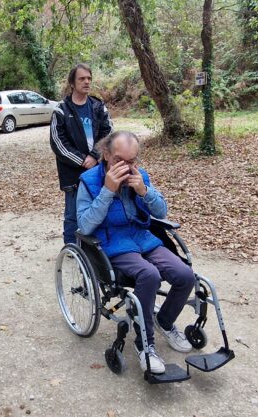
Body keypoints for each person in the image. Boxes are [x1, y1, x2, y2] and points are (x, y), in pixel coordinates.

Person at [76, 131, 195, 374]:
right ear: (106, 154)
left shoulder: (140, 176)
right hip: (113, 242)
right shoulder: (88, 181)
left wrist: (144, 191)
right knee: (149, 275)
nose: (126, 167)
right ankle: (144, 344)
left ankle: (164, 321)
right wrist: (107, 191)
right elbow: (85, 226)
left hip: (142, 238)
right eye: (119, 160)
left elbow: (161, 212)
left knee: (185, 275)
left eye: (131, 161)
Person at [51, 63, 113, 245]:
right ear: (72, 82)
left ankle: (93, 247)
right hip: (72, 173)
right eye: (82, 78)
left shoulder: (98, 106)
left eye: (89, 78)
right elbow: (58, 142)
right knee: (72, 213)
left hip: (98, 168)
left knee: (98, 208)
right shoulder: (61, 109)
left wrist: (95, 155)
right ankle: (71, 248)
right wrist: (82, 160)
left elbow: (108, 132)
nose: (86, 82)